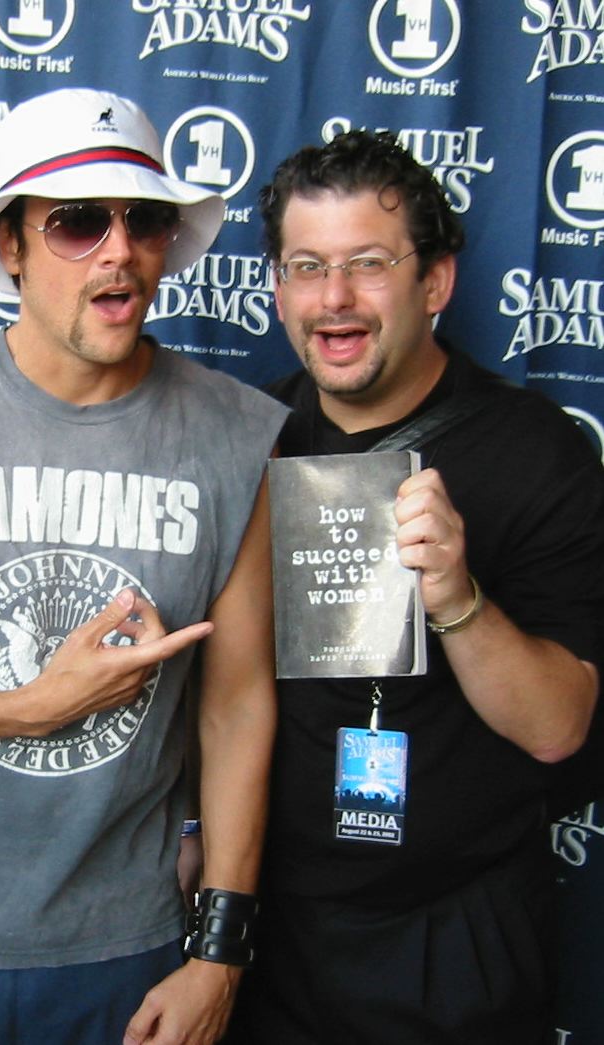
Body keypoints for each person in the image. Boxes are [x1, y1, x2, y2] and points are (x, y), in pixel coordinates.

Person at [0, 87, 288, 1045]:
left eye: (145, 220)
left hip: (128, 952)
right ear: (11, 245)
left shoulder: (237, 437)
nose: (120, 251)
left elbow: (238, 705)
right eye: (78, 222)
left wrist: (221, 951)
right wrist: (28, 707)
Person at [226, 129, 604, 1044]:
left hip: (455, 938)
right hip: (273, 936)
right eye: (307, 267)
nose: (334, 298)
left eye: (368, 264)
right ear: (277, 288)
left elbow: (559, 726)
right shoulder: (249, 437)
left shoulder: (537, 450)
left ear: (435, 282)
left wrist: (458, 599)